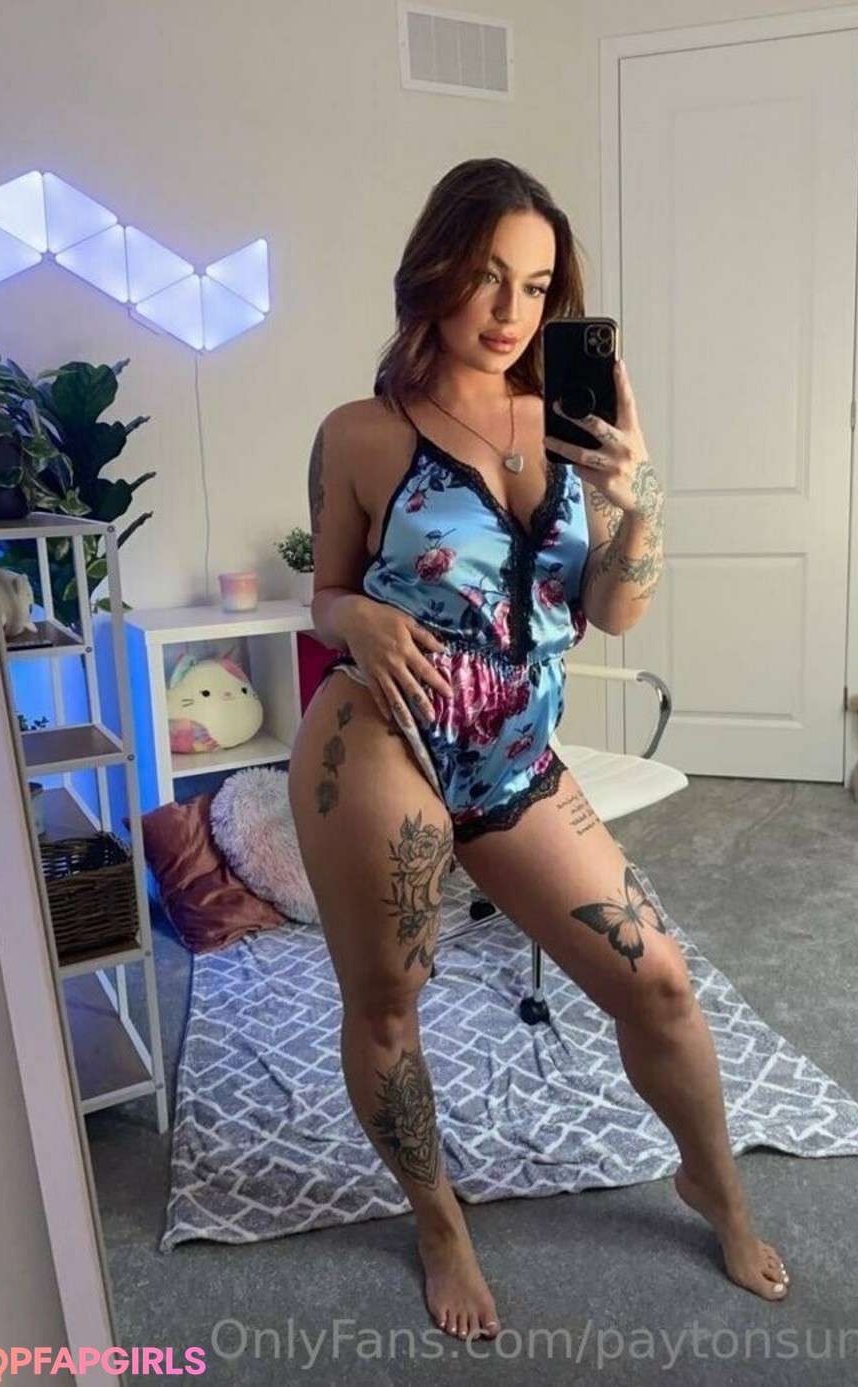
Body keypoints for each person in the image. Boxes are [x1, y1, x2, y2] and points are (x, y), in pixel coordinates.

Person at [288, 157, 790, 1344]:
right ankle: (438, 1220)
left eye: (535, 284)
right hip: (386, 739)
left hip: (517, 761)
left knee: (658, 981)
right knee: (390, 1002)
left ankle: (712, 1184)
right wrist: (356, 617)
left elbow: (613, 611)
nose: (511, 310)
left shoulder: (577, 428)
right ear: (436, 272)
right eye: (486, 277)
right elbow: (325, 592)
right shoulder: (360, 434)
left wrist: (641, 496)